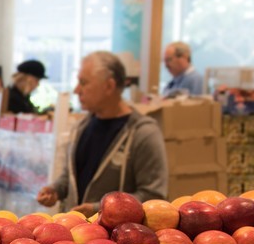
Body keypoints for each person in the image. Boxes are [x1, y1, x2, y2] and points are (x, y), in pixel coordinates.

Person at [37, 51, 168, 213]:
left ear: (109, 86)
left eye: (83, 83)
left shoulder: (143, 133)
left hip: (117, 236)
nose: (77, 90)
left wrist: (101, 210)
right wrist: (56, 190)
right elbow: (71, 177)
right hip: (76, 232)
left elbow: (153, 196)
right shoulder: (81, 127)